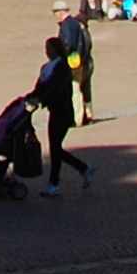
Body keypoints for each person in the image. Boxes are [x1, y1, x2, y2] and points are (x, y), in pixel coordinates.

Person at [37, 32, 93, 194]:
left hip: (63, 111)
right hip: (54, 111)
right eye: (46, 48)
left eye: (50, 48)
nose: (47, 51)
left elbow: (56, 88)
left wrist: (42, 98)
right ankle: (82, 168)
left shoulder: (63, 68)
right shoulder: (46, 68)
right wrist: (30, 97)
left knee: (55, 147)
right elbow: (40, 87)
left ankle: (55, 182)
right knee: (55, 147)